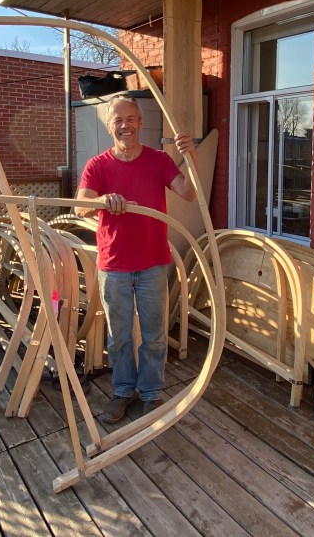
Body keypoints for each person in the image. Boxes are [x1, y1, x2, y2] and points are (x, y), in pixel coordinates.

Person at [75, 94, 198, 423]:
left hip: (152, 264)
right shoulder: (97, 166)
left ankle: (151, 393)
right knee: (120, 336)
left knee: (154, 334)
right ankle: (123, 390)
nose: (125, 125)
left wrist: (190, 157)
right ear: (109, 125)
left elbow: (188, 191)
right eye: (118, 120)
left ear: (140, 124)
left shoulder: (159, 161)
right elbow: (80, 205)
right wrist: (103, 200)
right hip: (114, 265)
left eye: (131, 119)